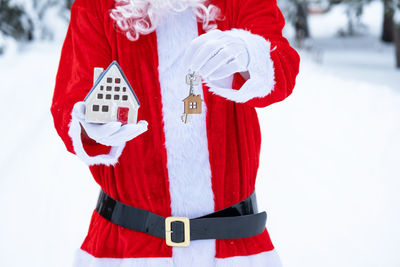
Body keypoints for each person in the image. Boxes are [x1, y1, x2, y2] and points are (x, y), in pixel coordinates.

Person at [51, 0, 300, 266]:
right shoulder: (95, 5)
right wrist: (90, 128)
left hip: (235, 246)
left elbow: (281, 67)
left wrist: (250, 55)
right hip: (129, 248)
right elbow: (73, 95)